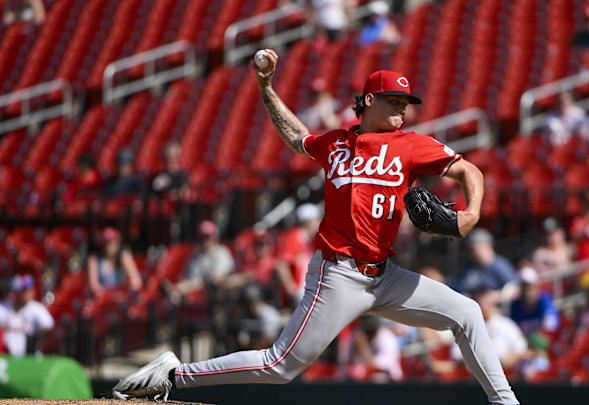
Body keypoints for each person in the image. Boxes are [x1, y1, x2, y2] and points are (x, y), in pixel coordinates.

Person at [113, 49, 520, 405]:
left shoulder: (412, 144)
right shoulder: (336, 143)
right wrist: (267, 88)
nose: (402, 107)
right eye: (394, 99)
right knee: (280, 365)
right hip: (339, 275)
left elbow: (470, 171)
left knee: (467, 312)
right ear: (369, 100)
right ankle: (172, 375)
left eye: (406, 101)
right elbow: (296, 137)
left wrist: (471, 213)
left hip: (385, 275)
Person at [169, 220, 234, 301]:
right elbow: (185, 277)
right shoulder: (195, 254)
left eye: (207, 236)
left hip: (214, 297)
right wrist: (181, 286)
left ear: (215, 236)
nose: (205, 240)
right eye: (202, 236)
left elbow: (216, 279)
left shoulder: (222, 253)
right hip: (191, 295)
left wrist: (189, 286)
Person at [275, 203, 322, 301]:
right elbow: (282, 264)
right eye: (317, 219)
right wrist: (291, 288)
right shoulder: (293, 237)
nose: (319, 222)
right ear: (309, 221)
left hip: (314, 289)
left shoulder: (315, 238)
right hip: (301, 292)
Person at [453, 228, 518, 296]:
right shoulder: (467, 267)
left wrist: (494, 297)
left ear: (489, 246)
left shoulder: (500, 265)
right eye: (472, 250)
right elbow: (460, 288)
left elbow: (515, 288)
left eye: (479, 248)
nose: (475, 253)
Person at [476, 288, 528, 371]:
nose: (483, 307)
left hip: (504, 372)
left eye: (486, 304)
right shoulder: (472, 326)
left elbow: (520, 347)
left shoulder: (505, 324)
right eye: (480, 304)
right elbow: (457, 355)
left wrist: (508, 360)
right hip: (476, 373)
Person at [0, 275, 54, 356]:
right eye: (23, 291)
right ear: (15, 292)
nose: (27, 293)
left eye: (28, 290)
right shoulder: (3, 308)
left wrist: (36, 339)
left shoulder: (36, 308)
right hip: (6, 356)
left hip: (29, 356)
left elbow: (48, 326)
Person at [87, 227, 142, 297]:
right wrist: (109, 295)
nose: (108, 246)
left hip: (121, 298)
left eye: (110, 243)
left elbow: (136, 281)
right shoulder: (94, 259)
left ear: (117, 243)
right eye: (106, 243)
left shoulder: (123, 257)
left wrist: (125, 292)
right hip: (103, 299)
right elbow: (94, 285)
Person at [510, 267, 560, 335]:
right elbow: (514, 331)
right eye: (524, 286)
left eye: (530, 285)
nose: (527, 289)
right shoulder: (515, 305)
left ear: (536, 286)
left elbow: (551, 326)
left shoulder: (545, 300)